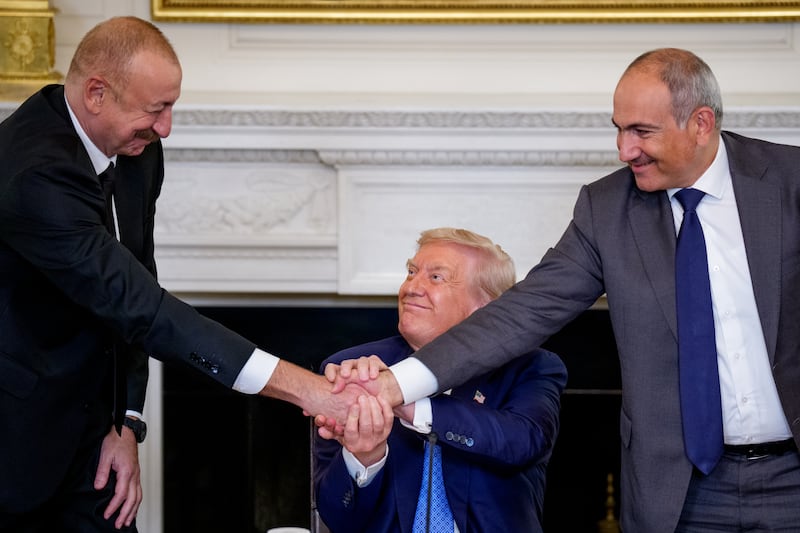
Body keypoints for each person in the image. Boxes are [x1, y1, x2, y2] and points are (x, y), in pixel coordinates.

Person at [325, 48, 800, 532]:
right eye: (618, 128)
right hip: (682, 492)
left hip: (793, 475)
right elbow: (521, 314)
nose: (624, 150)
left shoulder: (789, 180)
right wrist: (394, 386)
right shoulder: (606, 208)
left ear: (700, 124)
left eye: (641, 132)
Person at [0, 16, 362, 532]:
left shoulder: (138, 149)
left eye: (170, 107)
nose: (166, 127)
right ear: (96, 93)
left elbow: (139, 278)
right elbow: (143, 309)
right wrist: (306, 389)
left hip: (96, 433)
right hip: (17, 437)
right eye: (156, 110)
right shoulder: (32, 175)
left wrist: (127, 420)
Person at [314, 228, 566, 533]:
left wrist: (411, 403)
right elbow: (336, 517)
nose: (411, 288)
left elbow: (523, 441)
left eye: (436, 277)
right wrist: (363, 457)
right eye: (411, 272)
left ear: (487, 309)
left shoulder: (531, 367)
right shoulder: (352, 371)